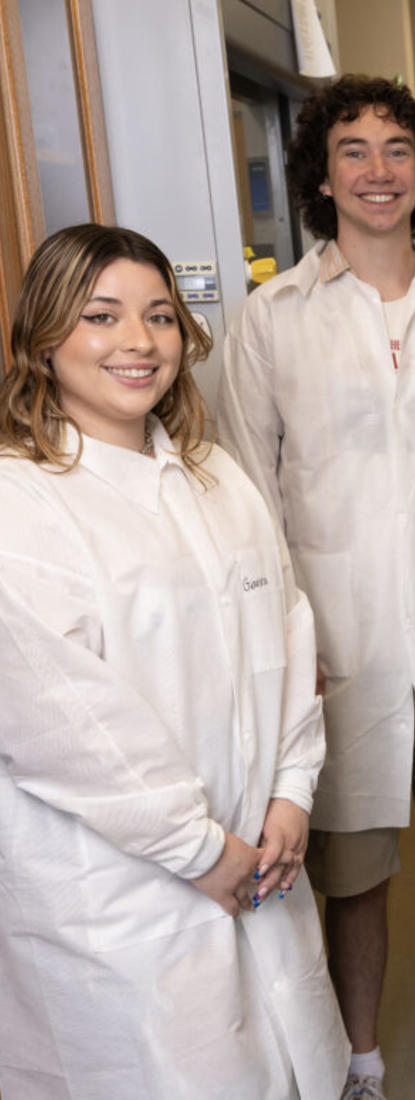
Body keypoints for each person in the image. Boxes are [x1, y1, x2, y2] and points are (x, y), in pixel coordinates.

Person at [219, 76, 415, 1100]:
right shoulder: (273, 320)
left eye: (396, 149)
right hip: (336, 638)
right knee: (350, 871)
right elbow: (245, 489)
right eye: (352, 150)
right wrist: (281, 640)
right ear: (320, 173)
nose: (376, 170)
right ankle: (357, 1061)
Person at [0, 223, 348, 1098]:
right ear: (44, 338)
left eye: (159, 316)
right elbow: (63, 725)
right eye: (101, 316)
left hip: (257, 863)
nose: (138, 342)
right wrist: (200, 850)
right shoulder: (22, 500)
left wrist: (292, 791)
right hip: (124, 899)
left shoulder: (211, 475)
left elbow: (291, 632)